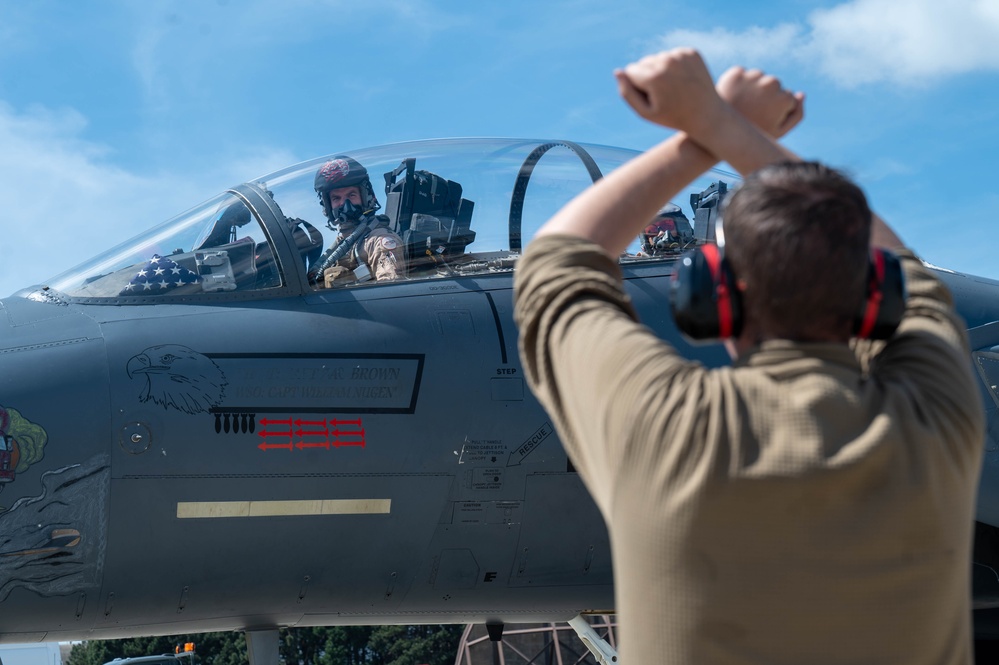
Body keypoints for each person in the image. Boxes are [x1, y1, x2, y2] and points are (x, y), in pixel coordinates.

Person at [514, 48, 984, 664]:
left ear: (712, 297)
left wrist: (709, 129)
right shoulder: (936, 420)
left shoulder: (661, 425)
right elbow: (910, 279)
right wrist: (724, 126)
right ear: (873, 296)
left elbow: (551, 266)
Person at [313, 156, 405, 286]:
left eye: (351, 195)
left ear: (365, 196)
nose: (344, 204)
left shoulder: (378, 241)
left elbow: (392, 293)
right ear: (328, 205)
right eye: (336, 198)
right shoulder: (341, 245)